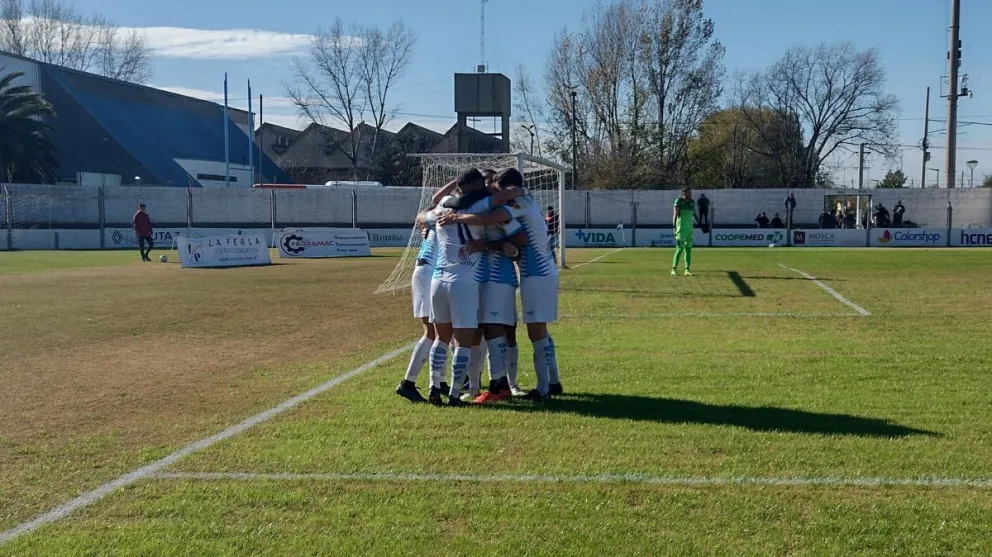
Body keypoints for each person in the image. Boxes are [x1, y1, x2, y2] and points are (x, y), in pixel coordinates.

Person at [440, 168, 561, 402]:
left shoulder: (515, 203)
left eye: (490, 186)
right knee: (525, 330)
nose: (487, 190)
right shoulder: (485, 205)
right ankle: (547, 384)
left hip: (529, 273)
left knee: (527, 331)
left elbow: (517, 236)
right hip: (511, 274)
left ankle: (519, 386)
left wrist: (487, 242)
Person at [428, 169, 523, 406]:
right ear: (479, 187)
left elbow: (428, 207)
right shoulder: (479, 207)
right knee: (464, 341)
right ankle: (455, 395)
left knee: (441, 338)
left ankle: (434, 387)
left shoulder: (440, 207)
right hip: (465, 284)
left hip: (438, 280)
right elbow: (508, 194)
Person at [395, 206, 442, 403]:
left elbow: (422, 216)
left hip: (423, 270)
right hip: (428, 272)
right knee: (435, 332)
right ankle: (410, 383)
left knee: (439, 332)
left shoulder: (433, 221)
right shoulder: (446, 216)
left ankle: (438, 383)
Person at [671, 188, 695, 277]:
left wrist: (701, 222)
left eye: (690, 192)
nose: (690, 193)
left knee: (688, 249)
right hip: (681, 228)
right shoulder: (679, 201)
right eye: (688, 192)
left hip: (690, 229)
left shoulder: (692, 202)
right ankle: (673, 269)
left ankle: (687, 270)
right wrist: (673, 225)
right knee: (680, 248)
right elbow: (675, 214)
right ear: (684, 193)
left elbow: (694, 213)